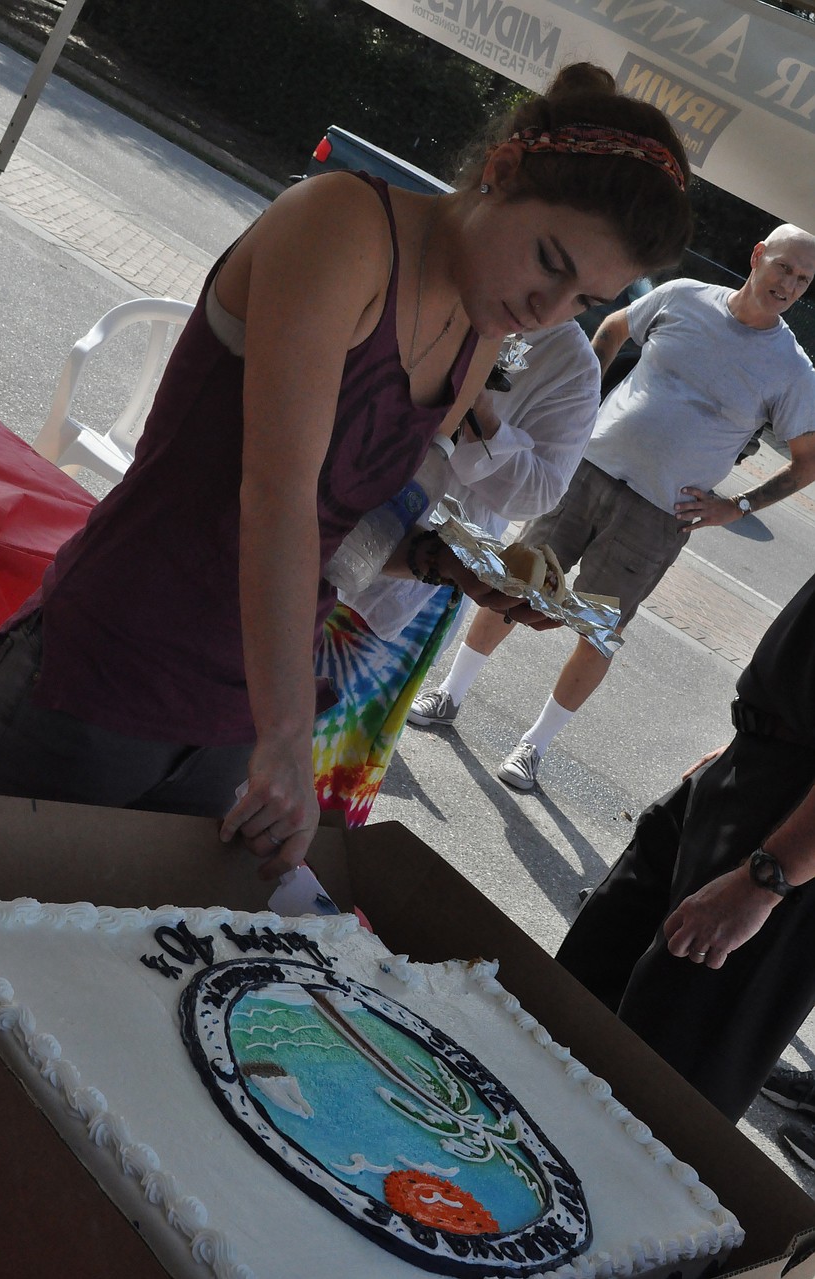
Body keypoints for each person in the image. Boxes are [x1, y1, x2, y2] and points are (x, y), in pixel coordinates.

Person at [0, 62, 692, 880]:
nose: (549, 310)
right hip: (110, 662)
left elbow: (342, 528)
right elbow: (275, 496)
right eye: (550, 262)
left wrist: (429, 559)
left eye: (584, 301)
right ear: (501, 171)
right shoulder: (344, 224)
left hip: (240, 708)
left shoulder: (480, 330)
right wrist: (284, 736)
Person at [409, 225, 815, 793]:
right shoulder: (684, 297)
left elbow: (807, 462)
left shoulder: (793, 370)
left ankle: (534, 747)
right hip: (583, 470)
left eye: (803, 279)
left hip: (658, 515)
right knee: (515, 581)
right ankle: (449, 692)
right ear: (757, 257)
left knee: (599, 630)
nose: (790, 285)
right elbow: (612, 327)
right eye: (784, 268)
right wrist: (580, 408)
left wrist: (738, 505)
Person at [554, 567, 815, 1123]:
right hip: (760, 766)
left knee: (657, 1084)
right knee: (571, 1001)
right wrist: (750, 742)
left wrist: (767, 879)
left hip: (792, 839)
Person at [314, 320, 600, 826]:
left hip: (411, 580)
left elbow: (537, 493)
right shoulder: (452, 289)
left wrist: (484, 416)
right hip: (316, 513)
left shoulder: (572, 367)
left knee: (316, 764)